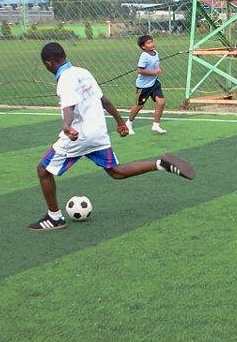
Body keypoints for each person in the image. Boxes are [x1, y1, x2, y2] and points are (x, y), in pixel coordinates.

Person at [30, 42, 195, 231]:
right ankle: (161, 164)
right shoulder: (83, 72)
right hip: (98, 132)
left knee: (43, 170)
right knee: (116, 171)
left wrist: (67, 126)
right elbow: (104, 100)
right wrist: (120, 122)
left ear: (49, 63)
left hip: (79, 135)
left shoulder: (65, 79)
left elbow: (69, 107)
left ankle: (55, 218)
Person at [125, 34, 167, 135]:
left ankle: (156, 125)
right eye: (148, 43)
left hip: (154, 83)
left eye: (152, 41)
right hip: (143, 86)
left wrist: (158, 69)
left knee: (161, 102)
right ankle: (128, 124)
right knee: (139, 105)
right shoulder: (144, 56)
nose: (152, 44)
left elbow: (155, 66)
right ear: (143, 47)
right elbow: (140, 70)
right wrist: (155, 72)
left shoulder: (155, 53)